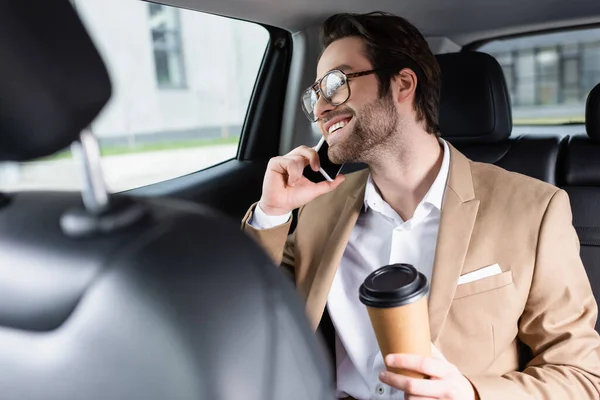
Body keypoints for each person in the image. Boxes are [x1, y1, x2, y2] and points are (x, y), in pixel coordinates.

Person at [241, 11, 600, 400]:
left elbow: (581, 375)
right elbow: (247, 313)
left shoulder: (535, 209)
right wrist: (272, 213)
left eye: (335, 84)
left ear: (403, 84)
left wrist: (472, 394)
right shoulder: (317, 207)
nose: (320, 108)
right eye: (314, 95)